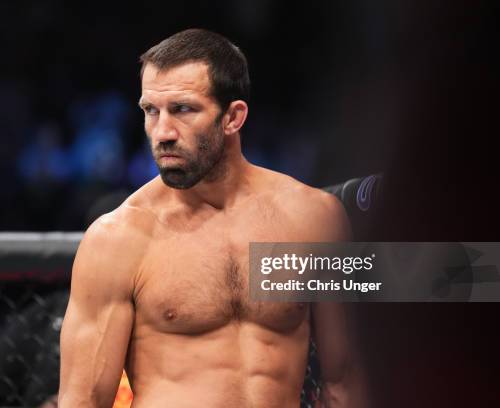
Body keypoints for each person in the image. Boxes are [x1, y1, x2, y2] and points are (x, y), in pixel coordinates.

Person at [59, 28, 367, 408]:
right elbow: (83, 401)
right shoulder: (117, 239)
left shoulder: (315, 219)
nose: (162, 132)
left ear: (233, 117)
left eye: (183, 109)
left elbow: (346, 380)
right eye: (151, 111)